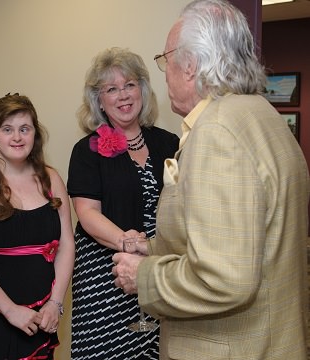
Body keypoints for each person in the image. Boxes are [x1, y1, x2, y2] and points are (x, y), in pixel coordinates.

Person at [111, 1, 310, 359]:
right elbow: (243, 239)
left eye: (166, 60)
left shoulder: (218, 130)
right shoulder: (263, 115)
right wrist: (155, 248)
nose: (165, 72)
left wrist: (144, 275)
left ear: (190, 66)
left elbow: (225, 278)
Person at [67, 47, 179, 359]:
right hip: (104, 274)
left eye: (129, 85)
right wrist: (126, 242)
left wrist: (152, 250)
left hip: (157, 266)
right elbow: (87, 213)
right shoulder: (86, 150)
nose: (123, 95)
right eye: (111, 89)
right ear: (98, 100)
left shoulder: (169, 143)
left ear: (142, 89)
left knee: (156, 351)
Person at [0, 93, 74, 359]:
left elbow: (66, 243)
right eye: (7, 129)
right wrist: (10, 309)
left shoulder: (50, 178)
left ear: (35, 134)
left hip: (41, 320)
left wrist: (55, 303)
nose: (17, 137)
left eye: (24, 129)